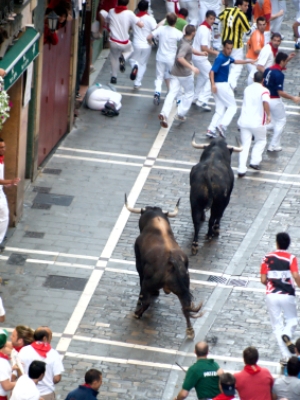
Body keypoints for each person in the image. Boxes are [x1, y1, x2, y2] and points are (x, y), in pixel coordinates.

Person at [261, 232, 300, 361]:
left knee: (276, 325)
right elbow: (295, 275)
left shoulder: (267, 257)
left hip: (271, 294)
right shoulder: (291, 258)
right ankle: (286, 334)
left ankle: (286, 356)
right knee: (292, 321)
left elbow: (262, 279)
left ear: (277, 243)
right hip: (287, 294)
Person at [158, 25, 207, 128]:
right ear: (193, 33)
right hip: (184, 74)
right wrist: (192, 68)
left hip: (175, 72)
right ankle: (180, 113)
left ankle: (164, 113)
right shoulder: (186, 45)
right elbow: (180, 57)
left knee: (172, 93)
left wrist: (201, 53)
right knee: (189, 93)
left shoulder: (184, 39)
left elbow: (190, 49)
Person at [207, 40, 253, 139]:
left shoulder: (226, 57)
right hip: (222, 85)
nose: (229, 50)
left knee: (220, 109)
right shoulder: (220, 58)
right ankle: (222, 125)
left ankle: (211, 129)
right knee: (233, 107)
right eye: (227, 48)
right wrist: (213, 85)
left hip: (218, 86)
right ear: (223, 47)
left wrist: (248, 61)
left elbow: (235, 61)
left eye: (231, 48)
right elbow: (211, 72)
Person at [263, 52, 300, 152]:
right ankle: (272, 145)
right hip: (274, 99)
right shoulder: (279, 75)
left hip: (265, 99)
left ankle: (274, 143)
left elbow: (263, 82)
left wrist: (287, 59)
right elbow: (280, 92)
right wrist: (293, 98)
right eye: (285, 61)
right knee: (281, 121)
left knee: (274, 121)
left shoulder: (268, 70)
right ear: (282, 61)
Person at [237, 71, 271, 177]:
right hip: (257, 122)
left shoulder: (247, 89)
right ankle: (255, 161)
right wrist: (268, 115)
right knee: (261, 140)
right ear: (263, 80)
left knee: (245, 145)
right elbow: (265, 102)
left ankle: (241, 169)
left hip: (244, 121)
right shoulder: (264, 91)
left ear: (253, 79)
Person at [19, 326, 64, 400]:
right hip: (46, 394)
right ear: (45, 338)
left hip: (27, 392)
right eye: (50, 336)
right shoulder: (53, 354)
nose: (51, 339)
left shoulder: (24, 351)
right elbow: (57, 378)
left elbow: (19, 371)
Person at [148, 13, 183, 106]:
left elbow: (149, 37)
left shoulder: (161, 29)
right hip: (171, 58)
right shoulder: (177, 32)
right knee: (175, 78)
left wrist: (151, 43)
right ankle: (178, 98)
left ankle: (157, 92)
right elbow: (184, 43)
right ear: (175, 21)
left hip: (160, 57)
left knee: (159, 77)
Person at [107, 0, 144, 85]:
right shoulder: (129, 13)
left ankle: (114, 76)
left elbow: (108, 21)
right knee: (130, 50)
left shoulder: (111, 11)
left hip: (113, 41)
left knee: (113, 58)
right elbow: (141, 25)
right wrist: (140, 21)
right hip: (124, 42)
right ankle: (123, 57)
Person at [219, 0, 251, 90]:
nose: (247, 8)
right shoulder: (242, 16)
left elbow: (218, 19)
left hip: (225, 43)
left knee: (226, 63)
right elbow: (248, 32)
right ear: (239, 5)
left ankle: (225, 82)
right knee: (237, 66)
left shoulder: (227, 10)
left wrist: (218, 33)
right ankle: (230, 84)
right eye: (245, 5)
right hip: (236, 45)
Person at [193, 10, 219, 111]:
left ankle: (195, 97)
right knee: (211, 76)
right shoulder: (204, 30)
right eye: (211, 19)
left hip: (197, 57)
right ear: (206, 18)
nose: (212, 21)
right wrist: (215, 53)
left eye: (213, 19)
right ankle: (202, 100)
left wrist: (211, 49)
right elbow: (203, 47)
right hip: (200, 58)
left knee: (202, 77)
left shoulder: (204, 28)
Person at [129, 0, 157, 89]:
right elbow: (155, 30)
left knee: (132, 60)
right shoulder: (150, 19)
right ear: (147, 8)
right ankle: (137, 83)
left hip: (136, 43)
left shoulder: (133, 17)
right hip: (146, 45)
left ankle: (134, 66)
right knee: (143, 64)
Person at [0, 138, 21, 251]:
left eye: (4, 147)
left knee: (3, 215)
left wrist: (7, 185)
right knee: (3, 215)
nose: (3, 149)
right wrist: (10, 181)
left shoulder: (1, 159)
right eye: (1, 147)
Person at [245, 17, 266, 85]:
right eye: (260, 24)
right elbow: (256, 50)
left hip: (252, 60)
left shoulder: (260, 34)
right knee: (255, 78)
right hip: (253, 61)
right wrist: (267, 51)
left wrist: (247, 55)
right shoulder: (257, 35)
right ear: (257, 25)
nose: (262, 26)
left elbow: (248, 44)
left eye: (263, 24)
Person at [0, 329, 18, 398]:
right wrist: (22, 382)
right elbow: (7, 386)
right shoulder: (2, 362)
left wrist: (10, 369)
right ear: (5, 344)